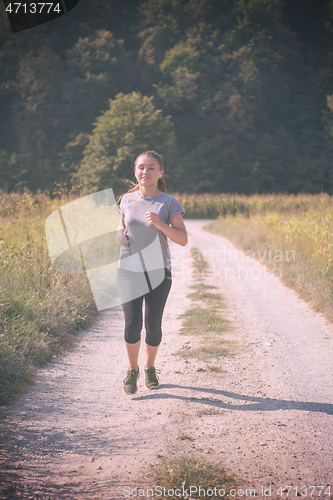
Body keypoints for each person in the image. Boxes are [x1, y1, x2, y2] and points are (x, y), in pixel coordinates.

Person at [116, 150, 188, 395]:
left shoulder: (169, 203)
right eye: (141, 167)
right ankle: (132, 370)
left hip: (158, 272)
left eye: (151, 167)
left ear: (160, 172)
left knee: (153, 325)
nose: (145, 172)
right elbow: (123, 223)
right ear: (135, 171)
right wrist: (119, 233)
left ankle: (149, 367)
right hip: (128, 270)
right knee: (132, 325)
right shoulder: (126, 200)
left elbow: (183, 239)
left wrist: (161, 224)